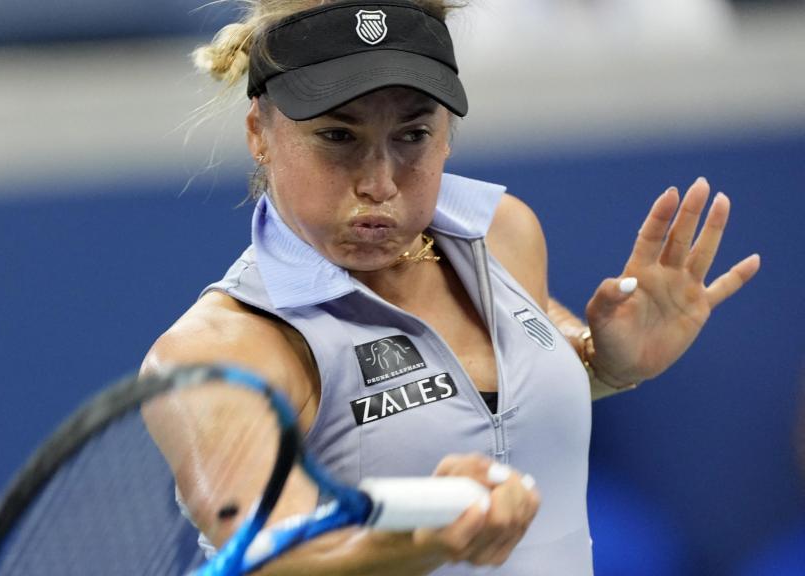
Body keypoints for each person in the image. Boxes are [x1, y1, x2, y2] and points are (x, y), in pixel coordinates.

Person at [140, 1, 761, 574]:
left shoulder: (503, 232)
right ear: (259, 132)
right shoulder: (217, 351)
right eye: (338, 137)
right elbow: (271, 547)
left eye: (412, 136)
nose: (380, 182)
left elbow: (492, 396)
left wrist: (604, 361)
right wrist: (421, 537)